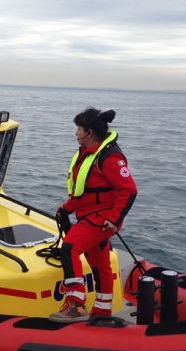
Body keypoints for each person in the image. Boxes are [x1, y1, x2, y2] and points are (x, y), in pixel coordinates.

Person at [49, 107, 137, 323]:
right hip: (90, 214)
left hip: (100, 219)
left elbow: (129, 190)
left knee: (69, 248)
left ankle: (76, 305)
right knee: (99, 263)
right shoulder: (88, 154)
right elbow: (84, 191)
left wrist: (114, 219)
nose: (75, 133)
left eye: (78, 129)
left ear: (89, 132)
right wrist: (67, 208)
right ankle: (102, 310)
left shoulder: (109, 158)